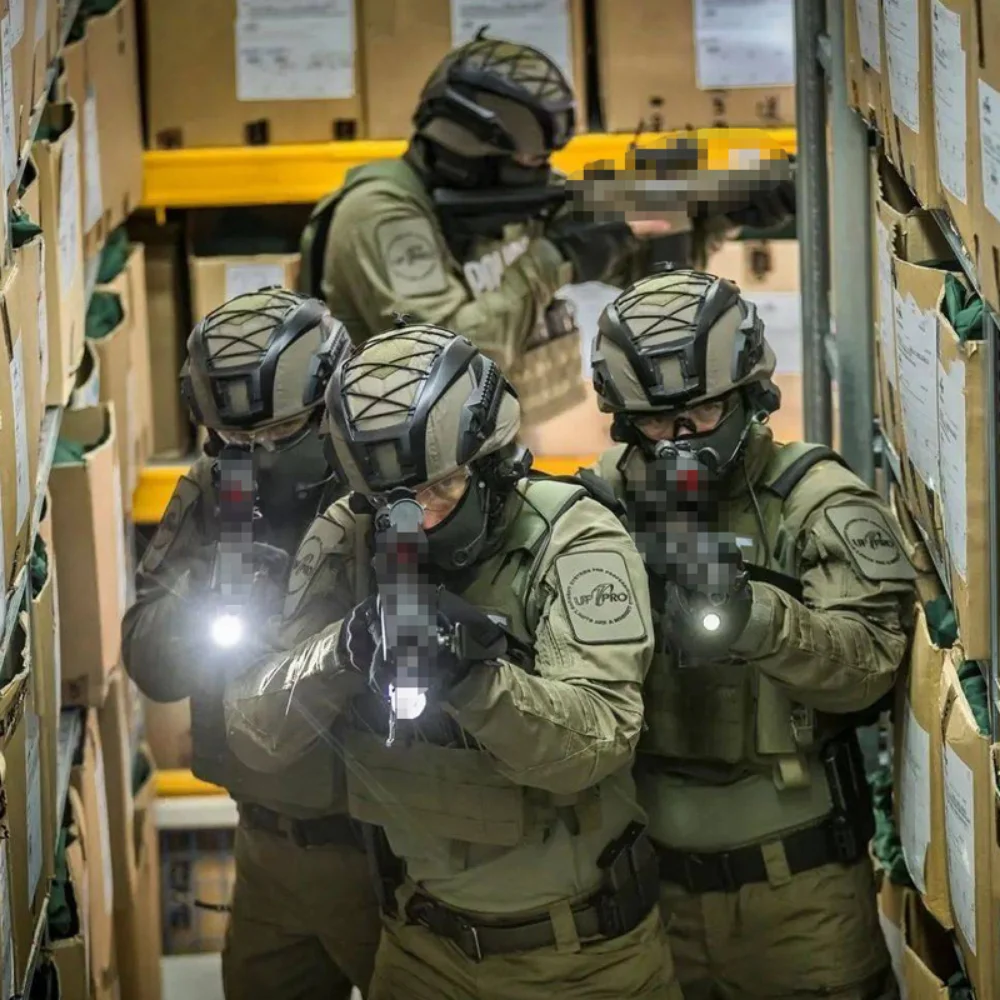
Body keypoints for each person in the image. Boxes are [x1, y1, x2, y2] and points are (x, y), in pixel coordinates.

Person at [222, 322, 682, 1000]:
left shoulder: (573, 536)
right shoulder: (348, 532)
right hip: (421, 947)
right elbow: (253, 727)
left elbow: (599, 740)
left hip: (583, 956)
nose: (418, 518)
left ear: (492, 465)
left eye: (440, 488)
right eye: (392, 502)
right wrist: (345, 648)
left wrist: (471, 677)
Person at [586, 269, 915, 1000]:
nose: (679, 440)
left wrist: (752, 615)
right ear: (622, 418)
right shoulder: (598, 504)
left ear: (750, 395)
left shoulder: (814, 500)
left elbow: (872, 667)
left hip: (798, 890)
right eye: (655, 421)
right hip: (648, 889)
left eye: (703, 411)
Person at [298, 33, 794, 431]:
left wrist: (719, 213)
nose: (542, 171)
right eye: (529, 160)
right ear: (475, 155)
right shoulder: (380, 213)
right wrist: (555, 259)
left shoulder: (506, 196)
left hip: (473, 448)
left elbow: (650, 278)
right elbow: (447, 359)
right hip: (395, 464)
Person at [120, 289, 381, 1000]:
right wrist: (207, 594)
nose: (257, 455)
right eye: (235, 439)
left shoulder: (388, 487)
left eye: (282, 430)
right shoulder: (214, 492)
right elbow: (147, 658)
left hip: (383, 850)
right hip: (265, 846)